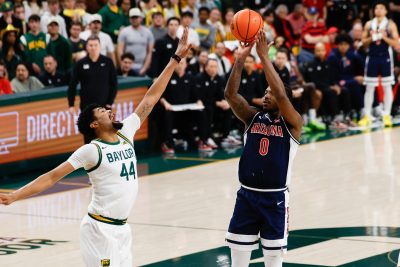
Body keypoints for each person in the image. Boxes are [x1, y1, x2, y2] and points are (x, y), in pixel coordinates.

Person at [0, 27, 192, 267]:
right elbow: (51, 177)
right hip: (99, 230)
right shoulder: (92, 150)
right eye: (103, 111)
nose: (110, 110)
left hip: (122, 229)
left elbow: (151, 97)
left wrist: (176, 58)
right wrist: (14, 196)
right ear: (94, 124)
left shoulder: (126, 132)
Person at [224, 30, 302, 267]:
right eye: (264, 92)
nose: (266, 96)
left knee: (273, 262)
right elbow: (230, 94)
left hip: (275, 200)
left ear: (284, 100)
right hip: (246, 197)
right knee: (237, 261)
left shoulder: (293, 123)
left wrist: (264, 57)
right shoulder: (252, 117)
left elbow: (280, 91)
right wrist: (241, 58)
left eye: (270, 93)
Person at [68, 35, 117, 143]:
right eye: (90, 45)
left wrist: (110, 102)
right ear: (86, 47)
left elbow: (114, 84)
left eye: (95, 45)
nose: (93, 48)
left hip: (104, 107)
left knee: (106, 135)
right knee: (89, 137)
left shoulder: (108, 62)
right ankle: (91, 159)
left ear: (100, 46)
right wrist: (71, 105)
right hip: (87, 108)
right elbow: (72, 85)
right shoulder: (80, 64)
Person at [359, 0, 399, 127]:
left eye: (381, 8)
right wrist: (373, 37)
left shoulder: (390, 24)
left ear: (386, 11)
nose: (379, 10)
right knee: (369, 87)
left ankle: (386, 114)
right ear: (374, 10)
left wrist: (384, 37)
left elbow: (396, 43)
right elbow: (363, 43)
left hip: (386, 58)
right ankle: (367, 115)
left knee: (387, 86)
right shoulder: (369, 24)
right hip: (372, 58)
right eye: (377, 8)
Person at [117, 8, 154, 76]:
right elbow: (120, 51)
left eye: (136, 17)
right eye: (132, 17)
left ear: (140, 18)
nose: (134, 19)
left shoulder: (148, 32)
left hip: (142, 67)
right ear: (129, 19)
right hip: (127, 67)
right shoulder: (124, 32)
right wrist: (123, 66)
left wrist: (145, 68)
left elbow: (149, 52)